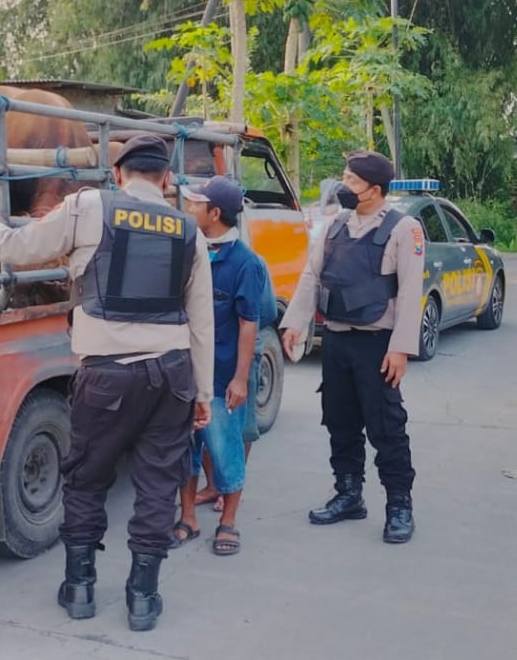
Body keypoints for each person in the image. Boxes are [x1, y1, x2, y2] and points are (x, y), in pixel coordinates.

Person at [0, 134, 215, 631]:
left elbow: (16, 248)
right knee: (158, 486)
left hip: (107, 377)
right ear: (167, 179)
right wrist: (202, 394)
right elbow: (202, 323)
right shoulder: (189, 231)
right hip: (172, 376)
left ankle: (81, 588)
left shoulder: (87, 207)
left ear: (118, 174)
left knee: (87, 480)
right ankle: (142, 597)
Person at [279, 150, 425, 544]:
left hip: (378, 344)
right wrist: (295, 322)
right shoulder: (333, 226)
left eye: (351, 180)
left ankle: (399, 505)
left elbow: (411, 293)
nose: (343, 186)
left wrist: (401, 349)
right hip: (338, 341)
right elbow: (313, 276)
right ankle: (349, 494)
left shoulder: (403, 228)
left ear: (374, 190)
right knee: (339, 421)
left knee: (386, 427)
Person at [169, 176, 263, 556]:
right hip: (185, 376)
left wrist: (240, 378)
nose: (189, 209)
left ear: (215, 213)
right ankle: (188, 517)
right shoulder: (187, 252)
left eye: (195, 205)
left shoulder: (245, 263)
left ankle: (228, 522)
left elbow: (249, 323)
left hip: (224, 377)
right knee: (184, 449)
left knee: (225, 451)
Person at [195, 252, 276, 514]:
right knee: (205, 428)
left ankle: (230, 489)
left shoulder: (249, 262)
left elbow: (264, 312)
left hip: (239, 353)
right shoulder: (193, 253)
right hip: (203, 354)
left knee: (239, 427)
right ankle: (214, 485)